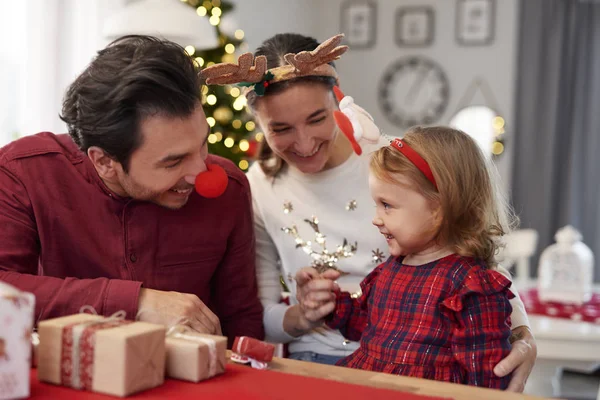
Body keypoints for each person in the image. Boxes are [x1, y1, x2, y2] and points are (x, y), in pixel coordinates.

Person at [202, 32, 536, 391]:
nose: (303, 142)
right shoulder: (257, 187)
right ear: (259, 125)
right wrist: (307, 313)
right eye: (280, 129)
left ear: (337, 98)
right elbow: (258, 315)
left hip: (425, 362)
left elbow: (475, 262)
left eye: (317, 119)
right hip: (319, 357)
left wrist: (523, 334)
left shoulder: (394, 162)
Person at [0, 35, 264, 346]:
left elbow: (242, 321)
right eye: (174, 161)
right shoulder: (24, 173)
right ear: (105, 162)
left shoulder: (229, 188)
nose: (200, 172)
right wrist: (136, 302)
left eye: (203, 143)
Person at [296, 127, 516, 389]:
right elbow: (371, 328)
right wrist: (334, 304)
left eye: (387, 205)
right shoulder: (392, 269)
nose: (376, 219)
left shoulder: (470, 288)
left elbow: (485, 380)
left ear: (439, 208)